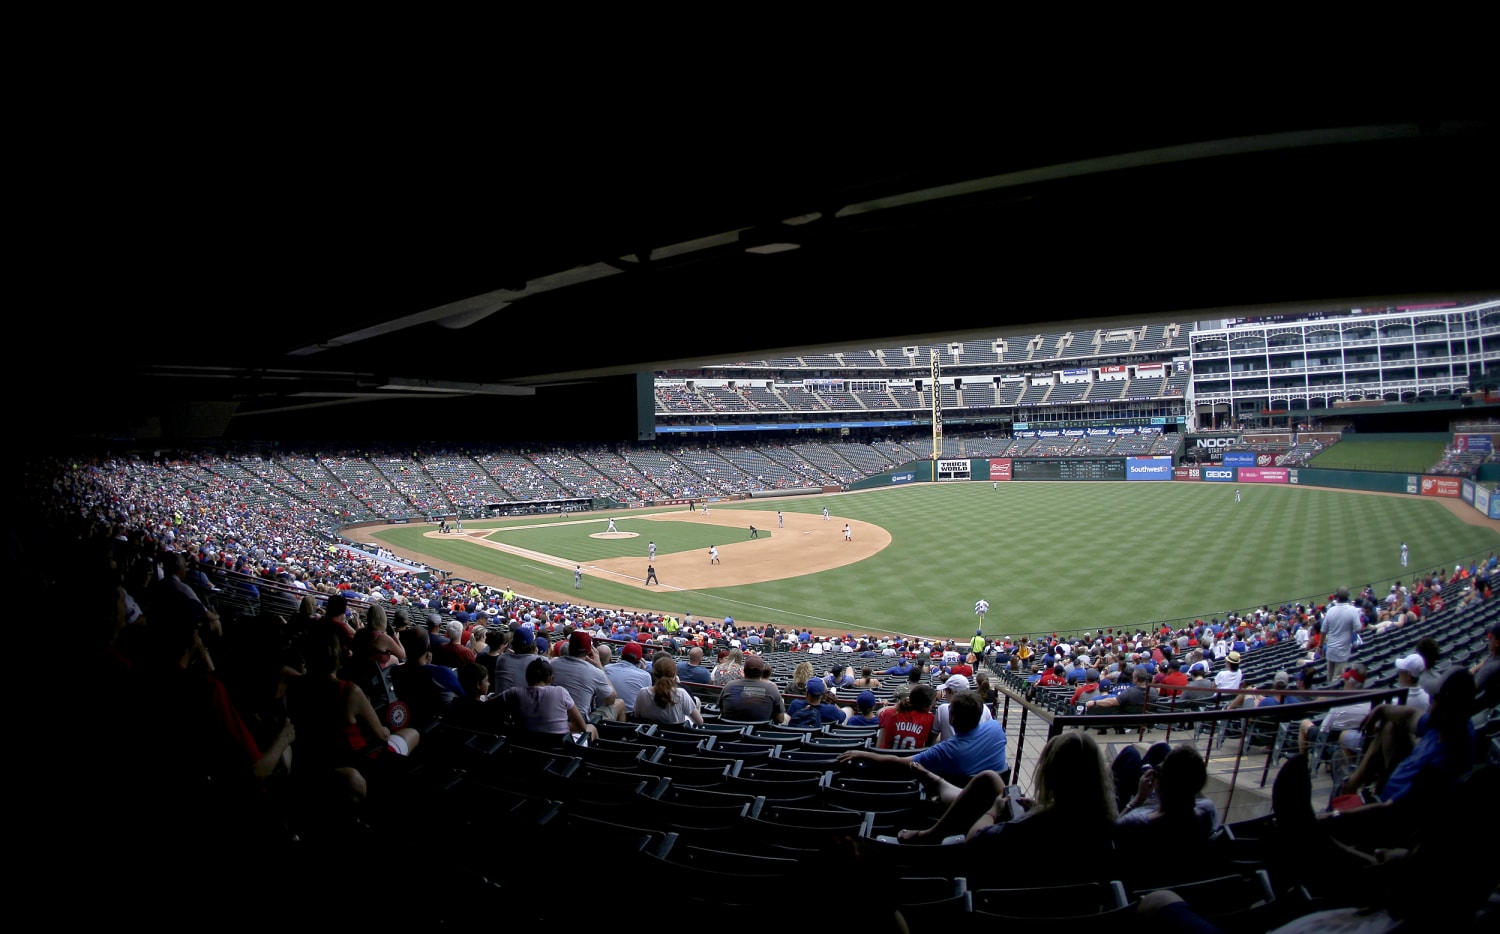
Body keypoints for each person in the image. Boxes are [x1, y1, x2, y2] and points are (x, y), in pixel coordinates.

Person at [878, 730, 1111, 855]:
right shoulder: (1107, 822)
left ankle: (929, 832)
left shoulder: (1029, 828)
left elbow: (974, 840)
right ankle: (937, 783)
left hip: (1011, 884)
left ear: (1050, 774)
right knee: (989, 779)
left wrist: (993, 812)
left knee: (990, 791)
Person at [840, 692, 1006, 786]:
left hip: (952, 802)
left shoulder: (945, 750)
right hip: (991, 801)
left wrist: (863, 753)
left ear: (952, 718)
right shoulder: (996, 729)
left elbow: (899, 761)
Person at [499, 657, 596, 747]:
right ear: (550, 678)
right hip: (560, 753)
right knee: (591, 728)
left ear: (527, 677)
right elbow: (581, 728)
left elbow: (486, 706)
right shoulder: (560, 692)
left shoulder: (513, 693)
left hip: (524, 749)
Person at [550, 631, 624, 722]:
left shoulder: (552, 664)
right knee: (620, 703)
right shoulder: (595, 672)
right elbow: (611, 700)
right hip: (580, 725)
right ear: (590, 650)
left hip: (552, 719)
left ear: (569, 646)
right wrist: (600, 667)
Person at [632, 655, 704, 726]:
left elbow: (636, 716)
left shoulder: (643, 692)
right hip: (675, 736)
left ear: (654, 674)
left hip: (648, 735)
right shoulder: (681, 693)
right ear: (674, 675)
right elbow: (699, 722)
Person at [719, 654, 786, 723]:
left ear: (744, 670)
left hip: (730, 731)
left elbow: (722, 711)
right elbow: (780, 719)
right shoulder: (772, 688)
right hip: (760, 732)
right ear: (761, 672)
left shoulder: (729, 686)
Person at [876, 683, 937, 750]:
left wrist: (896, 706)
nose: (933, 706)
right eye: (932, 704)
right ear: (926, 706)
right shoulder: (930, 719)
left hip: (885, 757)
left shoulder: (889, 713)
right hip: (913, 759)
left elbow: (878, 746)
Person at [1321, 586, 1362, 681]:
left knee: (1330, 678)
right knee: (1337, 680)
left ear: (1337, 597)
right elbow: (1358, 629)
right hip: (1342, 652)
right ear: (1347, 597)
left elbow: (1323, 631)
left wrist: (1320, 646)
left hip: (1331, 650)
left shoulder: (1330, 610)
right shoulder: (1352, 610)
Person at [604, 641, 652, 716]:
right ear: (640, 660)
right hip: (631, 721)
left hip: (603, 718)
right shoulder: (645, 675)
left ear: (622, 655)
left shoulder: (606, 668)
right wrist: (643, 671)